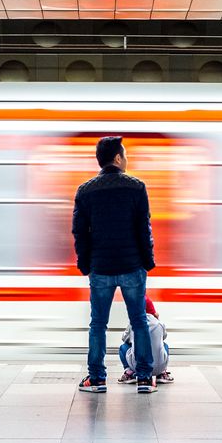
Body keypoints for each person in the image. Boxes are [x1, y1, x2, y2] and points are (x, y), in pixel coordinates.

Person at [73, 136, 157, 394]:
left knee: (98, 324)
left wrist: (86, 265)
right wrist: (147, 261)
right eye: (126, 154)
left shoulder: (85, 190)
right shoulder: (136, 187)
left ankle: (96, 379)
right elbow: (144, 229)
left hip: (101, 268)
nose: (127, 159)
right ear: (118, 158)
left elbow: (79, 233)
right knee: (139, 321)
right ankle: (144, 378)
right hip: (132, 265)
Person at [118, 296, 173, 384]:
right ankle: (162, 373)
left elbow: (124, 339)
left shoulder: (134, 323)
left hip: (138, 368)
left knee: (123, 347)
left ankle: (129, 373)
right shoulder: (160, 324)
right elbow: (163, 337)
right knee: (164, 344)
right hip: (159, 368)